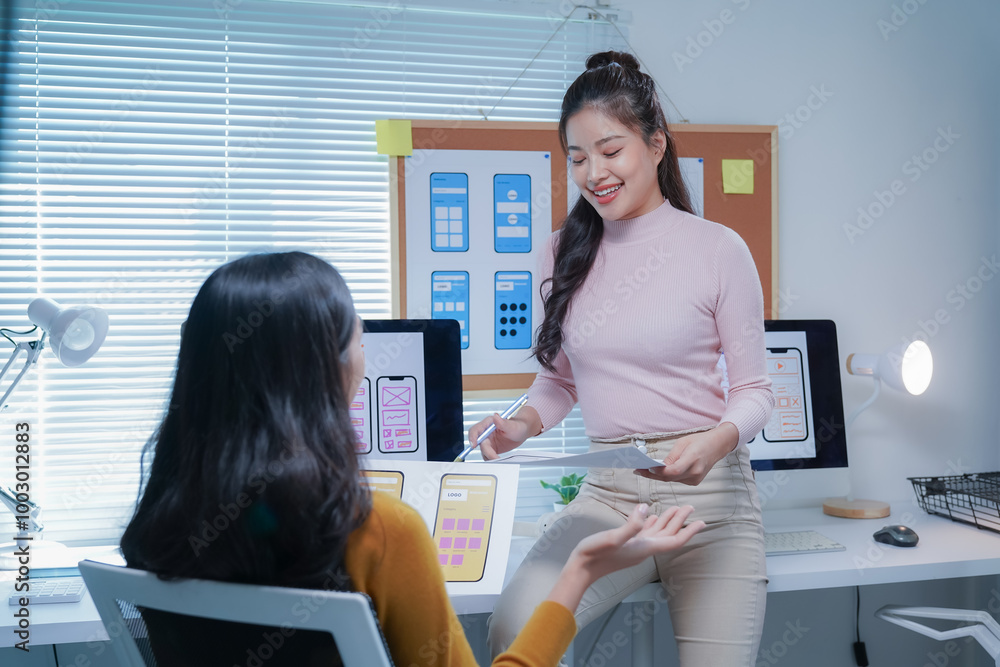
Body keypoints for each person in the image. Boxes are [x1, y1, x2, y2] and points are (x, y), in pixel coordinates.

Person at [119, 250, 705, 667]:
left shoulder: (158, 527)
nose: (363, 350)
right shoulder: (376, 530)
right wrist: (578, 572)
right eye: (353, 332)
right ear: (321, 369)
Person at [470, 51, 775, 665]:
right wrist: (519, 425)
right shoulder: (563, 251)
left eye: (611, 151)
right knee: (514, 629)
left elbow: (756, 391)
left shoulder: (717, 249)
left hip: (710, 496)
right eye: (577, 158)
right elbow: (557, 381)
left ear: (656, 145)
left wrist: (716, 442)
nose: (594, 173)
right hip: (611, 496)